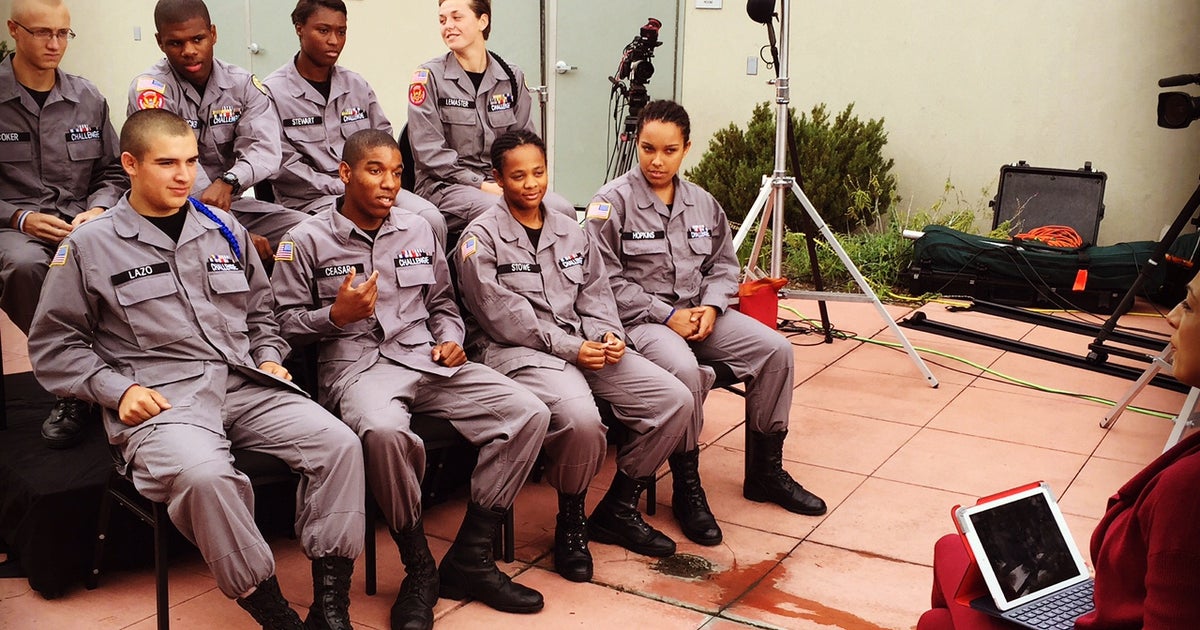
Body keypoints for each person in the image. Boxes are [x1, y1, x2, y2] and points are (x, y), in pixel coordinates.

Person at [27, 108, 366, 630]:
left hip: (243, 380)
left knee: (339, 444)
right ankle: (274, 613)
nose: (184, 175)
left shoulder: (224, 227)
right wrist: (116, 391)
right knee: (206, 477)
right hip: (163, 399)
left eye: (190, 161)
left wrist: (269, 357)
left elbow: (260, 314)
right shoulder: (90, 245)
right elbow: (55, 345)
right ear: (130, 164)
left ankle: (330, 605)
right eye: (167, 163)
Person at [271, 128, 551, 626]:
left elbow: (442, 303)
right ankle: (419, 565)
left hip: (427, 358)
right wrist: (334, 316)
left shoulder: (419, 229)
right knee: (384, 432)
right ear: (345, 173)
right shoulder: (305, 240)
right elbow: (281, 326)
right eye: (375, 171)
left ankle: (472, 555)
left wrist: (451, 338)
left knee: (529, 412)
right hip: (359, 369)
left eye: (397, 173)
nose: (389, 184)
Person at [584, 99, 827, 546]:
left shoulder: (702, 203)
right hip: (644, 322)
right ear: (637, 145)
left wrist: (713, 308)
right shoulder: (611, 204)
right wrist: (668, 315)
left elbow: (724, 266)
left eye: (669, 150)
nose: (657, 161)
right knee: (684, 370)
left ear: (686, 148)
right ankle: (687, 487)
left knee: (776, 350)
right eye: (648, 148)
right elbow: (603, 281)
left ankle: (765, 472)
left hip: (701, 314)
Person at [455, 129, 692, 582]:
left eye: (539, 172)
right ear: (498, 179)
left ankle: (618, 507)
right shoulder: (479, 239)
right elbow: (504, 319)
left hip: (584, 342)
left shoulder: (569, 230)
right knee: (582, 420)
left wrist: (608, 335)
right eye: (518, 176)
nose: (531, 184)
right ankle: (572, 520)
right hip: (517, 352)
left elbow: (596, 293)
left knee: (674, 400)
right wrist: (572, 348)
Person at [918, 275, 1200, 630]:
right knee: (944, 587)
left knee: (939, 609)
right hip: (1108, 603)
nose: (1172, 317)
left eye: (1190, 305)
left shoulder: (1188, 491)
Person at [1, 0, 127, 448]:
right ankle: (72, 387)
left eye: (62, 33)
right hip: (12, 227)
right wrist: (20, 217)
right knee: (27, 266)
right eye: (42, 32)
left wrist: (98, 209)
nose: (54, 44)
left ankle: (129, 368)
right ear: (14, 30)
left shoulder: (87, 98)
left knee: (130, 255)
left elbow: (114, 172)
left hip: (81, 221)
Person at [128, 0, 307, 259]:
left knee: (307, 233)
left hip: (230, 201)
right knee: (234, 246)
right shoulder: (152, 92)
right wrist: (233, 231)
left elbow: (264, 150)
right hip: (172, 210)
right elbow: (170, 169)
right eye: (176, 43)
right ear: (160, 42)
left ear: (213, 34)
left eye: (197, 39)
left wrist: (230, 181)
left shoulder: (242, 85)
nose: (189, 51)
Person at [264, 0, 448, 246]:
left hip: (372, 187)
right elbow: (283, 165)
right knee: (355, 229)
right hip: (313, 200)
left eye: (341, 32)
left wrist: (373, 179)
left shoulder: (356, 85)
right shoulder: (273, 93)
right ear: (299, 28)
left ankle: (434, 273)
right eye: (323, 30)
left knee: (430, 218)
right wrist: (346, 185)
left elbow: (383, 139)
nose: (334, 41)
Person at [406, 0, 576, 236]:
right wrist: (482, 185)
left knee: (564, 211)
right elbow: (429, 154)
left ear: (482, 21)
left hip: (502, 181)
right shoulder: (429, 77)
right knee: (501, 211)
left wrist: (514, 181)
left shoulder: (511, 76)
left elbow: (524, 143)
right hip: (446, 186)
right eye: (442, 20)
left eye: (457, 17)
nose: (448, 26)